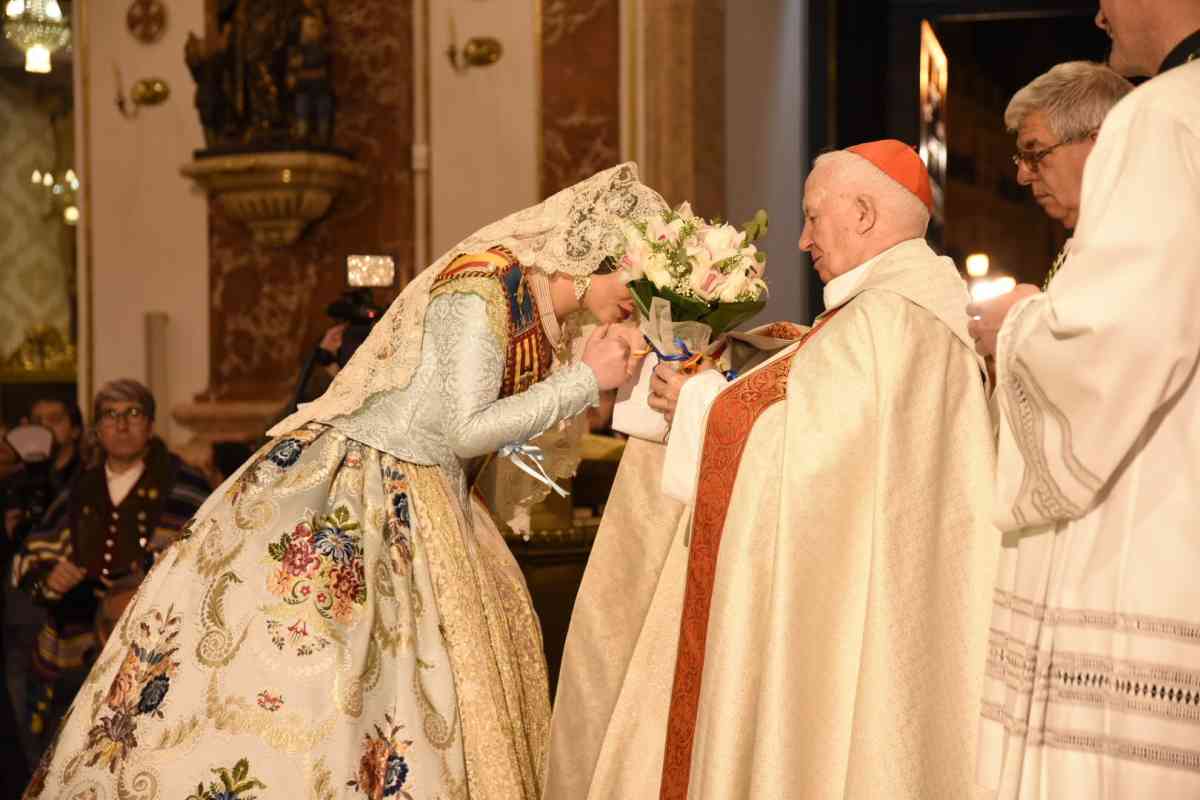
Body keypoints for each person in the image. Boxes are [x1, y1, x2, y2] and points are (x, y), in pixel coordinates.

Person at [22, 164, 658, 800]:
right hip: (367, 486)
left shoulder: (537, 309)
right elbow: (463, 429)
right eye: (639, 277)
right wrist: (582, 381)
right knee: (325, 674)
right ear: (597, 251)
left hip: (431, 493)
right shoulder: (484, 287)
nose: (641, 299)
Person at [552, 142, 998, 799]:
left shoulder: (886, 321)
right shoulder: (903, 315)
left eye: (813, 218)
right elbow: (818, 416)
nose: (801, 240)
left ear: (864, 214)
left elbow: (813, 465)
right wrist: (721, 373)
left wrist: (702, 402)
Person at [967, 2, 1200, 797]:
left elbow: (1114, 341)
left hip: (1153, 514)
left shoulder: (1164, 115)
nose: (1100, 12)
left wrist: (1017, 325)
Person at [11, 380, 210, 769]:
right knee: (67, 760)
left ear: (150, 424)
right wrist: (50, 577)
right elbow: (31, 556)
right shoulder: (78, 487)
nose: (121, 425)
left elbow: (210, 554)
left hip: (155, 651)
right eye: (110, 415)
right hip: (77, 648)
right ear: (97, 429)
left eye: (133, 413)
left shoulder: (185, 483)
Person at [4, 398, 85, 770]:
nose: (45, 427)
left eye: (55, 419)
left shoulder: (88, 481)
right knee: (20, 709)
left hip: (70, 619)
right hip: (18, 613)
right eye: (37, 420)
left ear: (76, 428)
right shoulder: (13, 483)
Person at [1005, 61, 1132, 288]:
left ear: (1101, 143)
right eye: (1021, 158)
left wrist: (1029, 307)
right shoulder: (1096, 240)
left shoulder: (1142, 246)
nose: (1022, 176)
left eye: (1036, 153)